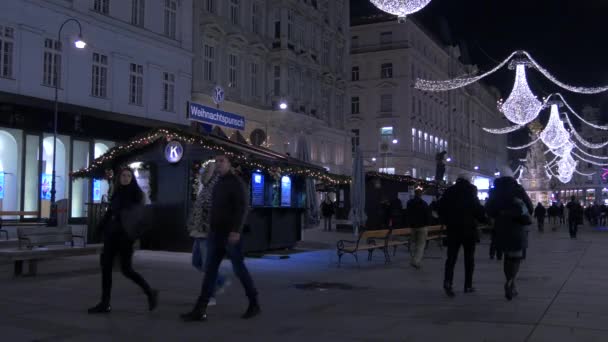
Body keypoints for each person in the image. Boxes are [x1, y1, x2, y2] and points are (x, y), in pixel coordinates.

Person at [181, 154, 260, 322]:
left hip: (230, 234)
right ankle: (200, 309)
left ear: (230, 164)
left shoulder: (235, 182)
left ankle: (254, 302)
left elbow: (242, 207)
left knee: (239, 269)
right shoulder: (218, 182)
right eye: (216, 161)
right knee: (210, 271)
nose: (218, 164)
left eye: (222, 161)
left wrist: (236, 230)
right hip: (215, 233)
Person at [88, 168, 157, 314]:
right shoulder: (117, 193)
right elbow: (110, 212)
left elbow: (140, 219)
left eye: (128, 176)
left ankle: (150, 292)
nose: (125, 178)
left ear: (132, 178)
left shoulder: (136, 195)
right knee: (106, 268)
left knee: (127, 270)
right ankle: (105, 303)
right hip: (111, 235)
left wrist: (133, 236)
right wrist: (99, 229)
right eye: (123, 175)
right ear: (119, 177)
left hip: (125, 237)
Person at [186, 162, 230, 307]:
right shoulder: (204, 188)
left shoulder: (216, 187)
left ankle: (210, 296)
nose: (203, 173)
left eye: (207, 171)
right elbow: (198, 210)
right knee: (197, 262)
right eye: (204, 171)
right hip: (198, 232)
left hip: (208, 233)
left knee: (207, 266)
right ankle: (221, 279)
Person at [485, 176, 533, 301]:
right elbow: (530, 208)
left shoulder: (496, 192)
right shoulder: (518, 190)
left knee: (507, 257)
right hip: (516, 227)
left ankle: (510, 282)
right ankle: (511, 281)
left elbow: (488, 209)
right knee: (516, 257)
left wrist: (500, 213)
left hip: (501, 228)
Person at [439, 174, 485, 297]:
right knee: (469, 258)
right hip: (469, 229)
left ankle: (448, 282)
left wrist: (446, 219)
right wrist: (484, 218)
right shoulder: (471, 190)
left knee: (451, 258)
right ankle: (468, 285)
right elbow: (476, 208)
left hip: (453, 229)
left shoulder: (449, 190)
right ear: (468, 180)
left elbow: (440, 207)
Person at [406, 189, 431, 269]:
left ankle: (413, 258)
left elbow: (407, 214)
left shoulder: (409, 203)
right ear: (421, 195)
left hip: (413, 227)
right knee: (420, 245)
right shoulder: (424, 204)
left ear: (414, 194)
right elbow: (427, 216)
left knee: (413, 243)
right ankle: (415, 261)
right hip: (422, 227)